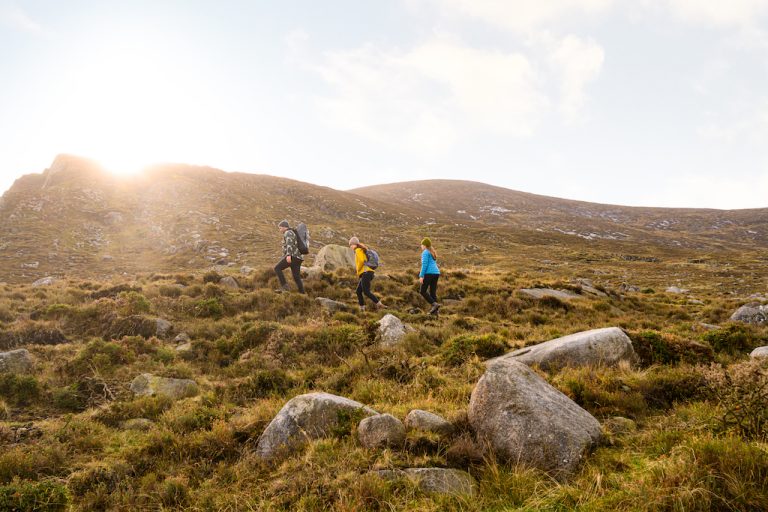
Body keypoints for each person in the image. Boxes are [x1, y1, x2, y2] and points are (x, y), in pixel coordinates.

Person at [349, 237, 386, 311]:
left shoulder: (358, 250)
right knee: (358, 291)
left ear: (354, 244)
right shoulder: (362, 249)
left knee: (366, 291)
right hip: (368, 272)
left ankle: (379, 304)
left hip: (366, 272)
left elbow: (362, 261)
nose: (350, 247)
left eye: (350, 245)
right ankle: (362, 309)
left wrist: (358, 270)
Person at [274, 220, 305, 293]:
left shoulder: (287, 233)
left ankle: (285, 287)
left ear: (285, 227)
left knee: (277, 268)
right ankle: (302, 293)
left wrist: (288, 255)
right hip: (298, 258)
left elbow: (289, 244)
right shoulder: (293, 232)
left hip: (293, 256)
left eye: (280, 228)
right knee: (296, 277)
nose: (280, 230)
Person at [419, 237, 441, 315]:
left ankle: (434, 304)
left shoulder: (425, 252)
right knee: (432, 292)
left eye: (421, 244)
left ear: (425, 245)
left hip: (429, 273)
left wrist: (421, 276)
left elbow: (424, 264)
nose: (421, 246)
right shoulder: (431, 252)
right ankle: (435, 313)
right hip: (436, 273)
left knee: (422, 291)